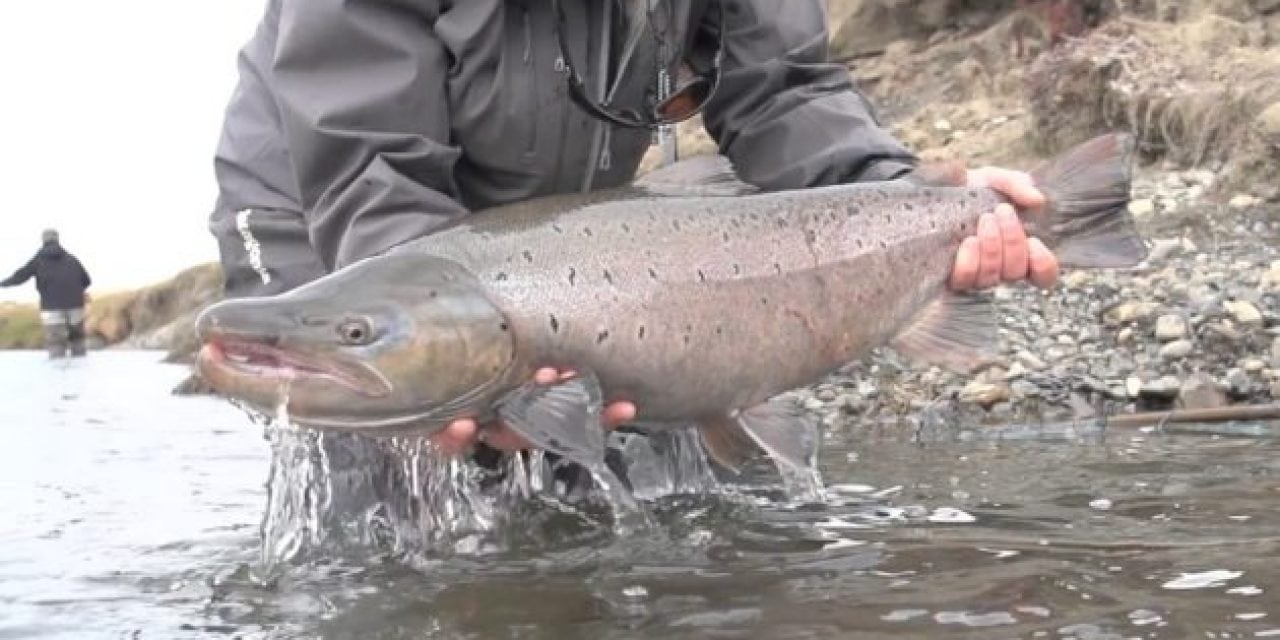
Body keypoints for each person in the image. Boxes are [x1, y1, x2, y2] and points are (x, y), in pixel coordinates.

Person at [208, 0, 1058, 465]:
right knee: (405, 485)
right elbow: (371, 171)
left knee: (613, 461)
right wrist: (474, 380)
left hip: (555, 243)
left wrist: (901, 199)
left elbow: (782, 89)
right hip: (318, 214)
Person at [2, 229, 93, 358]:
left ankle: (56, 374)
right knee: (77, 340)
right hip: (75, 305)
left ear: (43, 240)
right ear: (57, 239)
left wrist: (3, 283)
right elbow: (87, 280)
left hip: (51, 307)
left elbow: (20, 277)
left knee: (56, 342)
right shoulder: (71, 259)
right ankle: (80, 373)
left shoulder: (38, 259)